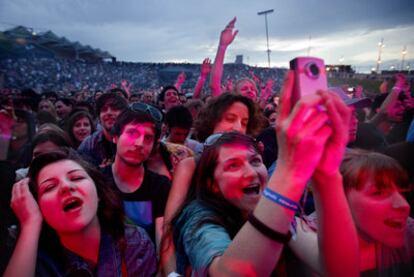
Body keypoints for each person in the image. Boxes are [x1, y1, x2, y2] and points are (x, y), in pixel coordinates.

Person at [170, 81, 358, 275]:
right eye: (232, 166)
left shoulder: (277, 212)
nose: (251, 172)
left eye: (255, 161)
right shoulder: (200, 219)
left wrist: (327, 175)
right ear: (212, 184)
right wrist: (290, 171)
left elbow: (342, 271)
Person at [4, 149, 157, 276]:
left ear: (98, 194)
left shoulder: (135, 243)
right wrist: (30, 225)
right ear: (38, 208)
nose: (66, 186)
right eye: (49, 187)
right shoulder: (33, 261)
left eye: (76, 177)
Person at [310, 149, 413, 275]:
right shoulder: (308, 236)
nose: (404, 205)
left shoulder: (408, 230)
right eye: (378, 193)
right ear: (339, 200)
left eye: (403, 193)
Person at [101, 107, 171, 252]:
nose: (139, 143)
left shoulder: (160, 186)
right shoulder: (97, 182)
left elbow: (162, 238)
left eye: (148, 138)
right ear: (115, 137)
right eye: (132, 133)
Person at [78, 92, 128, 167]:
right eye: (104, 110)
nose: (109, 113)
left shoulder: (135, 141)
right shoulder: (89, 145)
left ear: (124, 114)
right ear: (99, 117)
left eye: (114, 109)